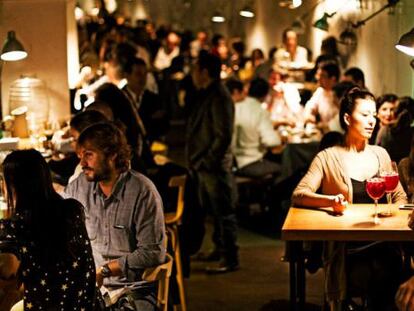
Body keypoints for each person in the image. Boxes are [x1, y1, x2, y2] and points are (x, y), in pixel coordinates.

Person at [292, 88, 407, 310]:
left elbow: (399, 196)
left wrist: (396, 213)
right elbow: (299, 194)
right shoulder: (328, 157)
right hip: (348, 252)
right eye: (364, 115)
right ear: (346, 118)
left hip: (385, 245)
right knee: (380, 276)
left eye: (373, 115)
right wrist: (329, 202)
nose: (371, 121)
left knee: (394, 271)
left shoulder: (380, 154)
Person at [64, 122, 166, 311]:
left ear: (112, 155)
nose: (82, 163)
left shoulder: (143, 191)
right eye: (80, 156)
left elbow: (153, 252)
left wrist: (105, 270)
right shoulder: (79, 187)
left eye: (88, 155)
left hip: (132, 290)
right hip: (88, 289)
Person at [0, 149, 97, 310]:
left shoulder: (15, 226)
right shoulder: (73, 210)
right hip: (86, 304)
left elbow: (7, 268)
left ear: (13, 184)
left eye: (3, 179)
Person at [188, 52, 239, 273]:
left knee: (223, 211)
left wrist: (207, 161)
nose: (193, 74)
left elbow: (223, 134)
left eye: (195, 69)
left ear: (205, 72)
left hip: (214, 165)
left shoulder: (218, 95)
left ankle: (229, 257)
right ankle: (220, 249)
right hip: (206, 163)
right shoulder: (209, 93)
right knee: (214, 211)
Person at [230, 78, 281, 178]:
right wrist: (280, 138)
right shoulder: (260, 111)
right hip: (250, 162)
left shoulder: (236, 106)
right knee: (285, 169)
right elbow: (271, 141)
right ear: (265, 95)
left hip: (233, 162)